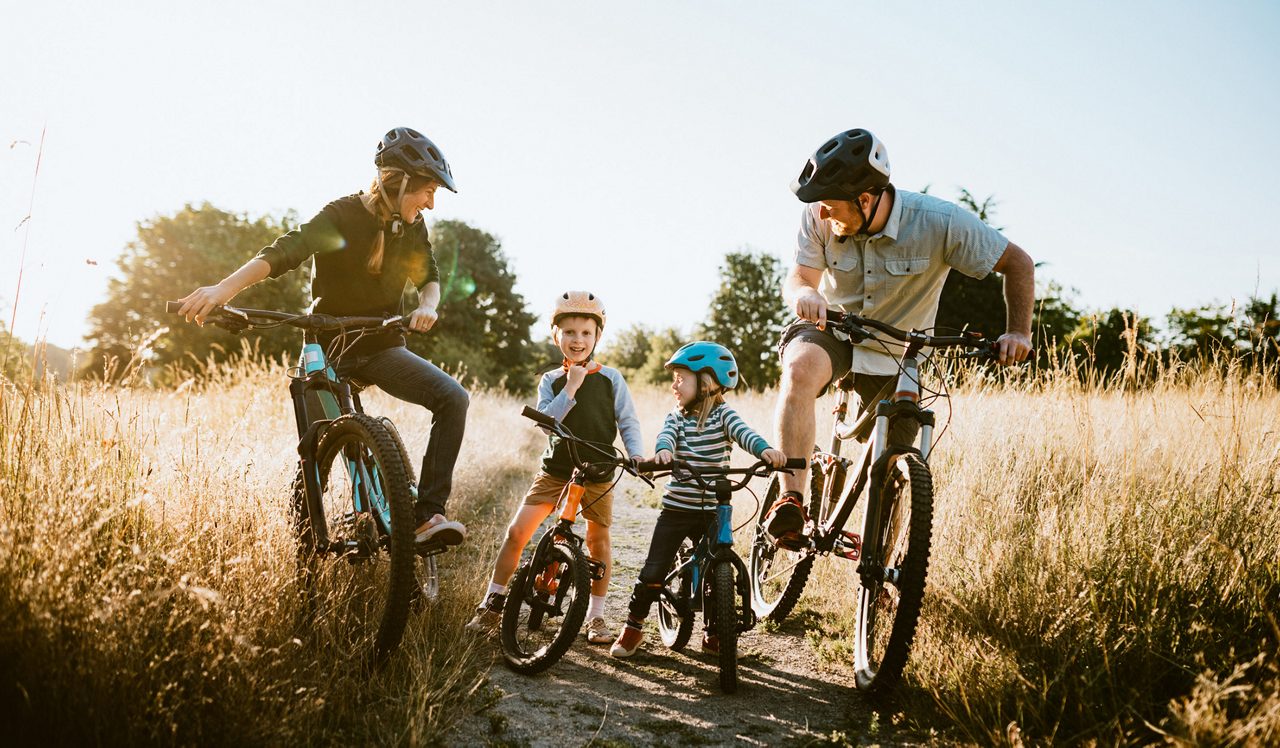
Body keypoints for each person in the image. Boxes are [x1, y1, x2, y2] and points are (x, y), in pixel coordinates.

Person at [177, 127, 470, 547]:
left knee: (453, 398)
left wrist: (428, 305)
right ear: (400, 181)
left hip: (380, 347)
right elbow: (284, 252)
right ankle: (324, 539)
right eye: (427, 190)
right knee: (316, 451)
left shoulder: (412, 227)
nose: (431, 202)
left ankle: (426, 516)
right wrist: (222, 291)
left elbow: (429, 276)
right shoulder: (343, 216)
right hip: (326, 348)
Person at [765, 127, 1035, 546]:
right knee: (800, 367)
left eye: (831, 205)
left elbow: (1018, 263)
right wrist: (804, 293)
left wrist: (1018, 332)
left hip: (899, 351)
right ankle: (791, 501)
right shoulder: (818, 214)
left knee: (892, 465)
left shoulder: (940, 222)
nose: (822, 214)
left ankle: (883, 570)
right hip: (833, 328)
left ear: (866, 199)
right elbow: (800, 276)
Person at [465, 291, 645, 645]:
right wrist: (572, 387)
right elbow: (548, 423)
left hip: (598, 472)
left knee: (598, 541)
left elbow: (628, 421)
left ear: (597, 337)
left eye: (586, 333)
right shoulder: (551, 380)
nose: (578, 340)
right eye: (569, 333)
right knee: (518, 533)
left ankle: (595, 616)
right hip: (556, 470)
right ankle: (493, 602)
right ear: (556, 336)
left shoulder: (612, 379)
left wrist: (636, 455)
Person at [610, 342, 786, 658]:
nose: (674, 385)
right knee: (654, 570)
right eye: (674, 378)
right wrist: (664, 452)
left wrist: (765, 451)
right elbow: (666, 437)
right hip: (677, 508)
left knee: (719, 572)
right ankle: (633, 627)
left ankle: (715, 633)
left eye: (681, 378)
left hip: (713, 509)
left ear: (707, 382)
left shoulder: (724, 416)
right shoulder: (676, 419)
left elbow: (745, 434)